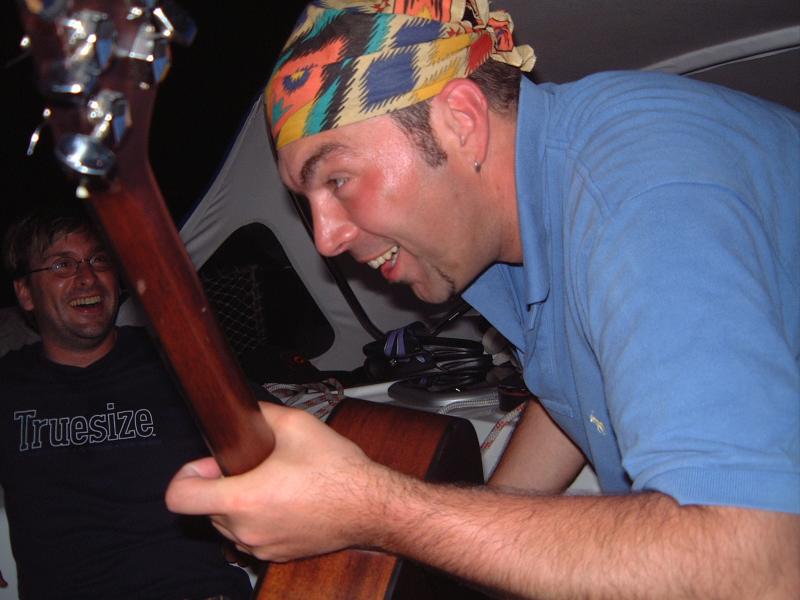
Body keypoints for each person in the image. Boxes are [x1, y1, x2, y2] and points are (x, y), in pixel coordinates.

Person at [166, 1, 800, 598]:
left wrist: (374, 509)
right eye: (308, 203)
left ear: (461, 123)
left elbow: (758, 562)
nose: (326, 239)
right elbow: (573, 386)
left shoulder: (639, 195)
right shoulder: (508, 243)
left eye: (337, 178)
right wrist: (477, 546)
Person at [0, 206, 253, 599]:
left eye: (99, 260)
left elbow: (269, 440)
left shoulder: (178, 360)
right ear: (25, 293)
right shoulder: (9, 384)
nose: (87, 277)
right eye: (62, 265)